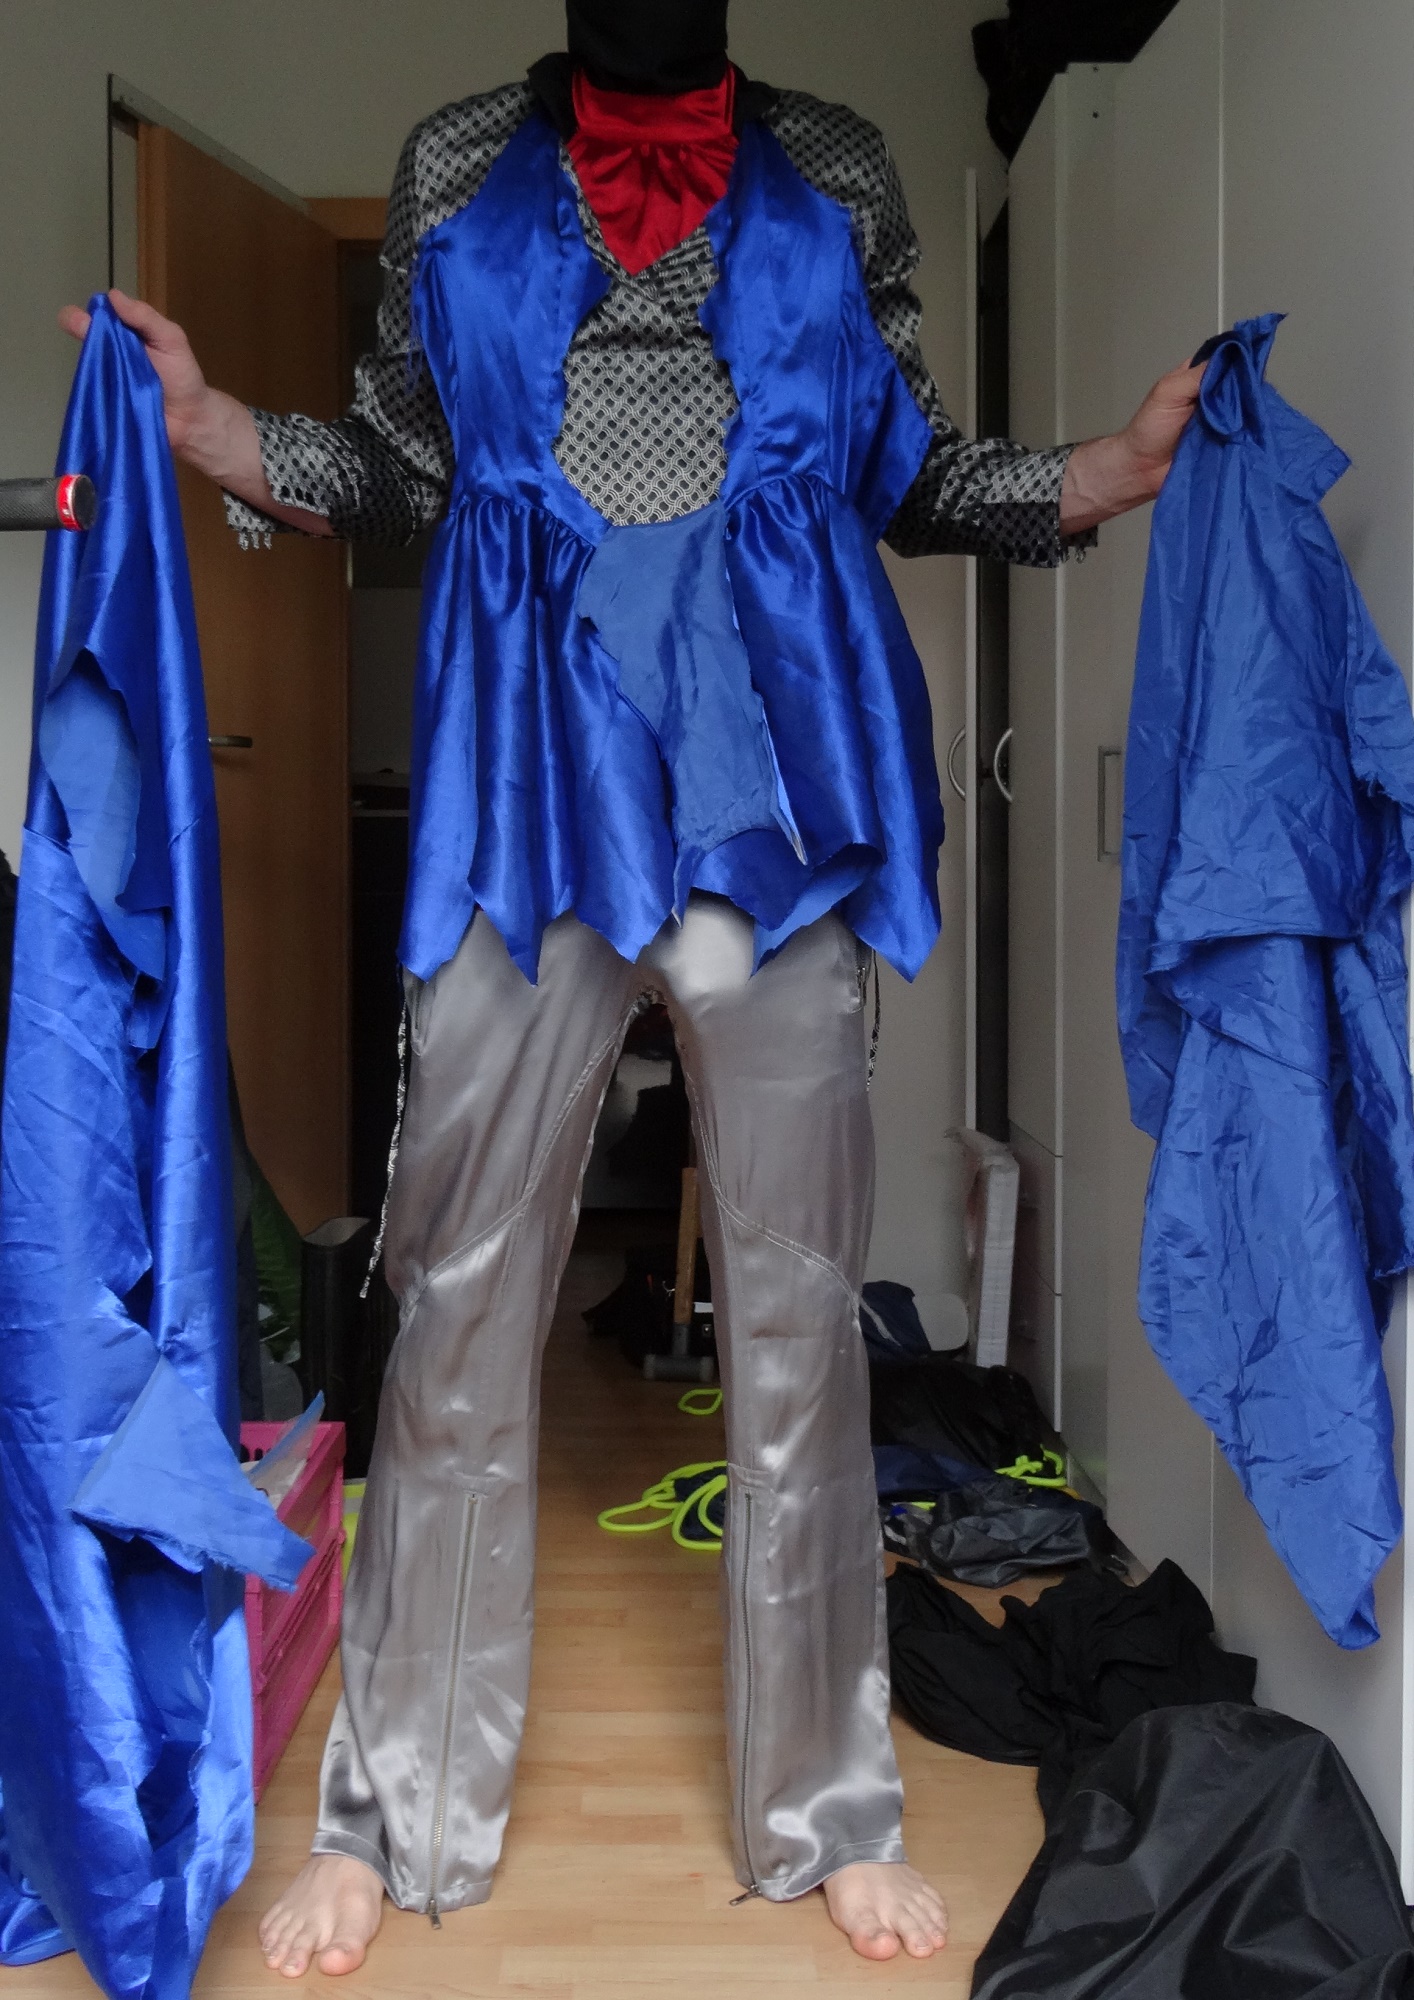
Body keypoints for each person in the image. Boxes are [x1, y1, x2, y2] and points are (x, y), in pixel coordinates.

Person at [62, 0, 1201, 1973]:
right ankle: (394, 1816)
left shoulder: (835, 164)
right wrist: (214, 431)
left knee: (796, 1310)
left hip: (770, 790)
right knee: (451, 1303)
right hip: (525, 788)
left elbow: (908, 470)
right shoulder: (450, 166)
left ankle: (824, 1802)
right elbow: (393, 472)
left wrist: (1107, 467)